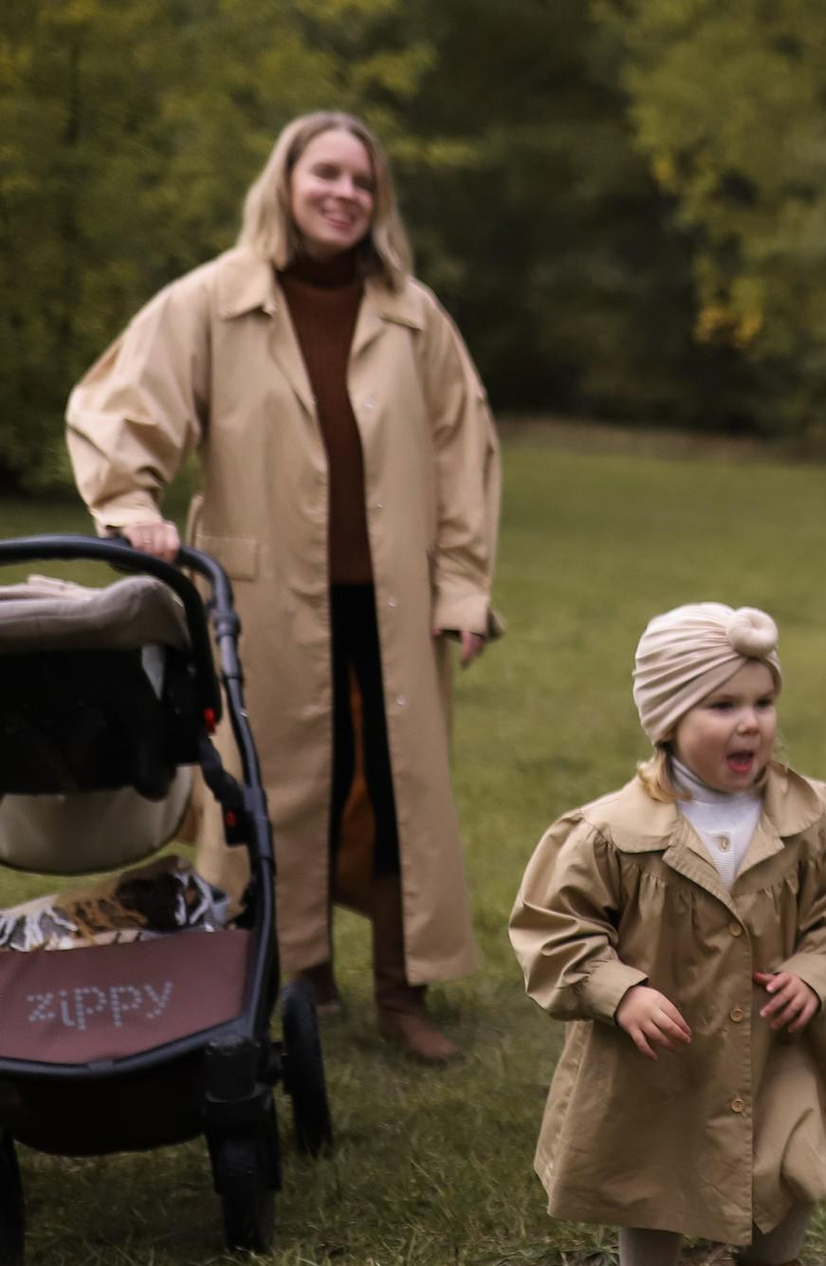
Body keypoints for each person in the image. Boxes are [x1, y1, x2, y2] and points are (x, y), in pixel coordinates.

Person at [65, 110, 501, 1062]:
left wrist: (465, 587)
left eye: (363, 179)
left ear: (378, 198)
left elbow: (463, 451)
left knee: (394, 789)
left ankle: (402, 988)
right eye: (326, 175)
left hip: (395, 598)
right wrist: (132, 500)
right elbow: (118, 406)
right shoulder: (211, 300)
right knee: (277, 782)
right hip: (256, 596)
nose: (345, 193)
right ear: (286, 183)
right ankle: (297, 973)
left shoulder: (413, 314)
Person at [510, 604, 826, 1266]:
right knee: (652, 1171)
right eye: (721, 706)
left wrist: (819, 971)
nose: (749, 723)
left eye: (761, 701)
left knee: (790, 1159)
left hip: (774, 1039)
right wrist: (619, 988)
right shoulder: (612, 831)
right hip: (658, 1049)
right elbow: (553, 928)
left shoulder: (815, 817)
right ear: (667, 719)